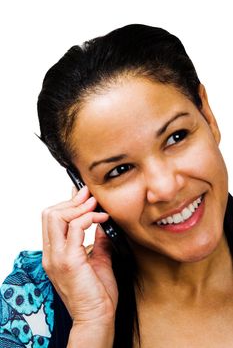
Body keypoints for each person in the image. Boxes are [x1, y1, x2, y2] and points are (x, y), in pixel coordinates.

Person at [1, 23, 233, 348]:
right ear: (82, 184)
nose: (165, 188)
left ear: (207, 116)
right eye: (120, 170)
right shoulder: (33, 304)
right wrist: (91, 323)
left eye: (176, 137)